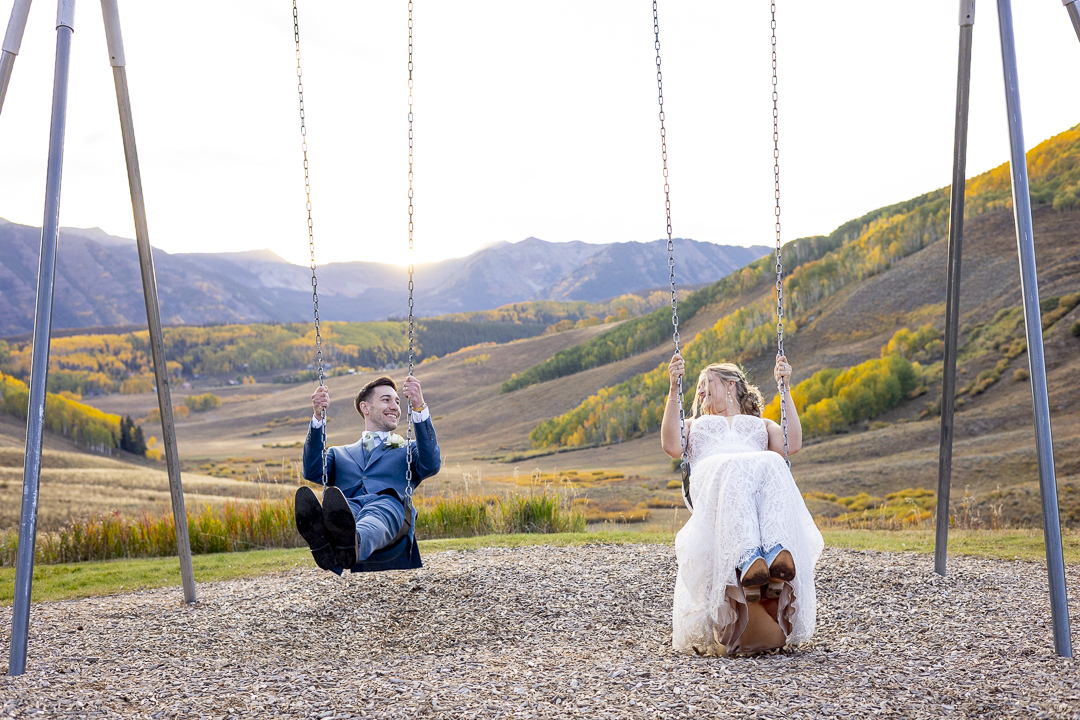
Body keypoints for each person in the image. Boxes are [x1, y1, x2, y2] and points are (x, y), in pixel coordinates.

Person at [662, 353, 823, 656]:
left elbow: (792, 445)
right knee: (737, 466)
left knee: (775, 461)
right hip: (714, 481)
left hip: (751, 487)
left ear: (731, 384)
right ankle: (749, 558)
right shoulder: (695, 425)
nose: (699, 391)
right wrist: (674, 388)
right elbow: (671, 445)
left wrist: (785, 387)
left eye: (705, 383)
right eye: (696, 386)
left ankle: (775, 555)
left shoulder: (759, 425)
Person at [295, 375, 441, 573]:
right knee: (343, 515)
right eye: (386, 400)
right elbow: (312, 471)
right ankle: (325, 541)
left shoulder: (409, 450)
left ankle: (353, 543)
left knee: (374, 516)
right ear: (365, 408)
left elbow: (431, 464)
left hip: (388, 506)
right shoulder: (339, 453)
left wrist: (419, 407)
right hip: (347, 505)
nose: (395, 407)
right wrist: (318, 418)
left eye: (397, 401)